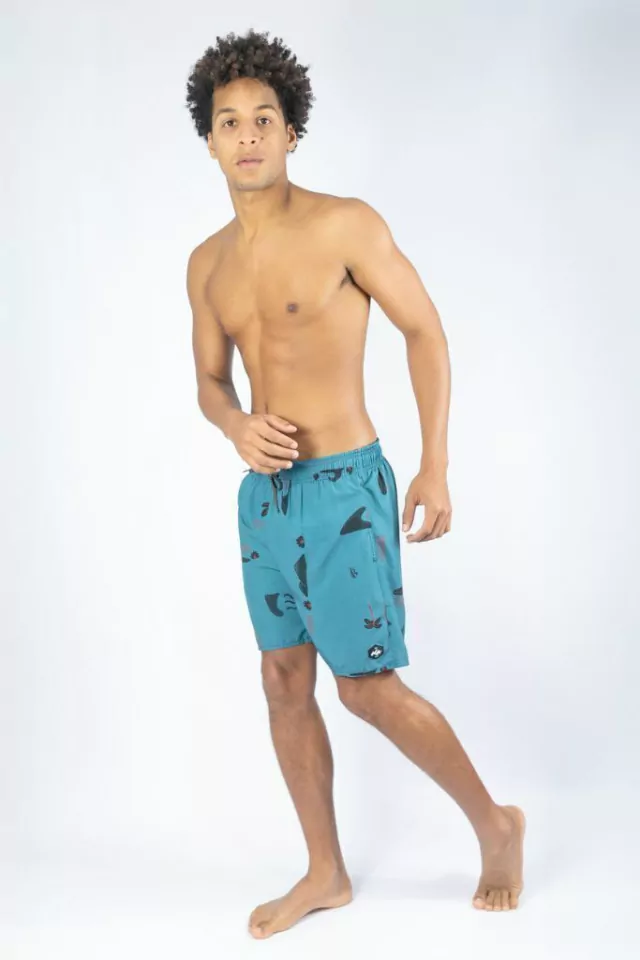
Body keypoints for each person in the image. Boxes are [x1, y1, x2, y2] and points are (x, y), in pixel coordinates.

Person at [185, 28, 525, 940]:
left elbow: (425, 330)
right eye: (229, 122)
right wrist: (235, 425)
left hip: (344, 490)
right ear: (209, 140)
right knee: (282, 677)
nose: (247, 135)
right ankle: (325, 871)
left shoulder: (345, 224)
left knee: (366, 686)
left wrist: (435, 461)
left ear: (291, 132)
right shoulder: (206, 263)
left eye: (264, 119)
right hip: (265, 500)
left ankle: (496, 825)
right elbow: (210, 382)